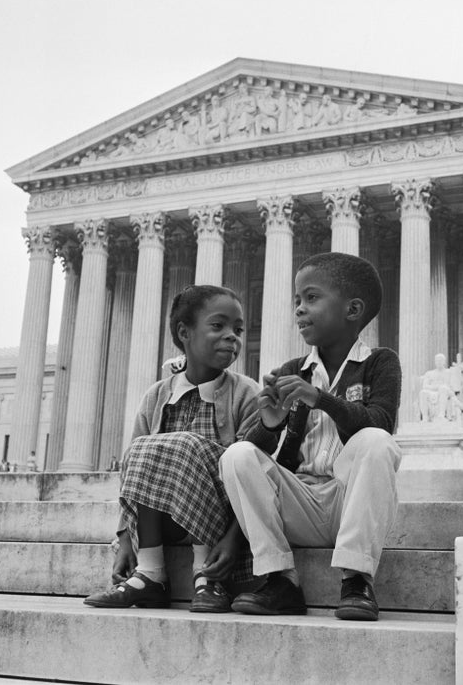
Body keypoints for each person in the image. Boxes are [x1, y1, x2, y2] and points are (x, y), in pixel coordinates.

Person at [220, 252, 402, 621]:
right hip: (298, 502)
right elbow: (254, 466)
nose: (300, 310)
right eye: (297, 301)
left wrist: (320, 399)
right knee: (237, 454)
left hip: (351, 502)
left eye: (312, 298)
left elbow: (380, 421)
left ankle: (356, 579)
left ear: (352, 310)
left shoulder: (380, 362)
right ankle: (279, 579)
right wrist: (270, 424)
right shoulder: (292, 371)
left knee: (376, 441)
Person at [84, 285, 260, 613]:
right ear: (184, 332)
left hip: (224, 517)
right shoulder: (156, 395)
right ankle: (150, 573)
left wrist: (234, 537)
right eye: (218, 326)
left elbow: (256, 472)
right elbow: (132, 471)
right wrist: (125, 536)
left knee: (184, 445)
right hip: (168, 518)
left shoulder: (246, 393)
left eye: (237, 329)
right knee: (144, 447)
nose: (232, 337)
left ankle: (206, 576)